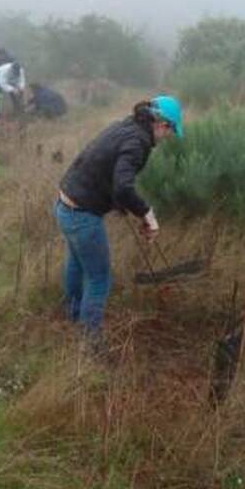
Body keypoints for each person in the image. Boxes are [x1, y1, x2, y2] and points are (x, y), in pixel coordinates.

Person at [55, 95, 184, 336]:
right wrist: (147, 213)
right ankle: (90, 342)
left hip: (65, 205)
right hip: (82, 215)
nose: (168, 137)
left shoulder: (127, 125)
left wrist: (128, 208)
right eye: (170, 131)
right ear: (162, 124)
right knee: (100, 278)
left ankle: (73, 318)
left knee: (77, 264)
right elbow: (123, 187)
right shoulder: (138, 142)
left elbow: (110, 174)